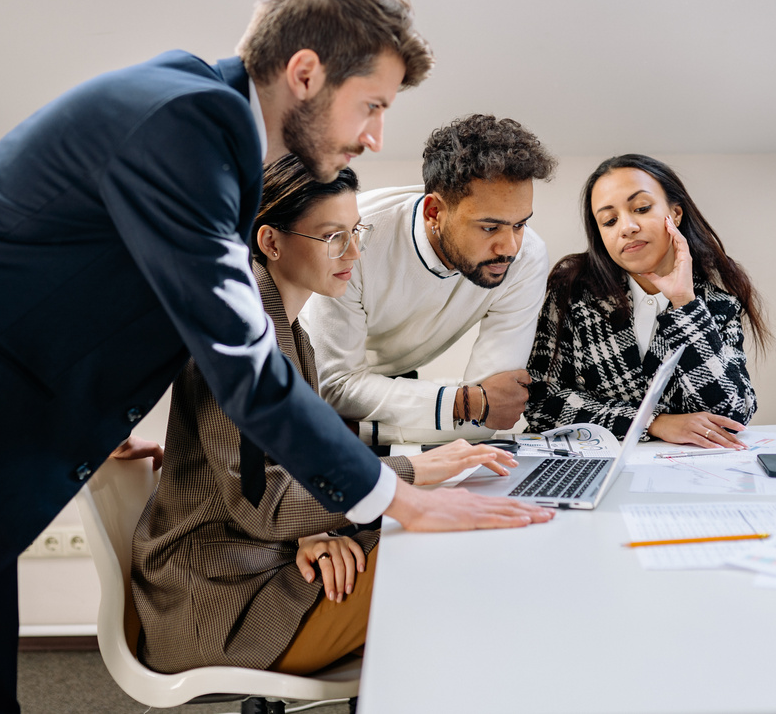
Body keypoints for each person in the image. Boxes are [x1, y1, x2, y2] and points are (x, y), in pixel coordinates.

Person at [0, 0, 549, 713]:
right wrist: (395, 497)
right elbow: (241, 363)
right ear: (305, 74)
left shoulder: (199, 122)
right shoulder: (186, 125)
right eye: (370, 105)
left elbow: (81, 288)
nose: (374, 134)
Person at [131, 155, 517, 675]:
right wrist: (413, 474)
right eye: (334, 237)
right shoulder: (242, 345)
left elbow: (289, 465)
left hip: (262, 563)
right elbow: (259, 500)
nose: (355, 252)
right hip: (222, 605)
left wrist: (314, 532)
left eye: (357, 232)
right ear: (271, 242)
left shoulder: (290, 334)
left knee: (442, 539)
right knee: (447, 555)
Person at [302, 114, 557, 447]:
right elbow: (332, 386)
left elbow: (493, 411)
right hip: (299, 386)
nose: (509, 248)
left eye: (520, 224)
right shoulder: (353, 238)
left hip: (393, 388)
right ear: (434, 213)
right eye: (490, 227)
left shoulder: (527, 258)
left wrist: (365, 432)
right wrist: (464, 403)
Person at [526, 154, 771, 447]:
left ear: (676, 213)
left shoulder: (717, 296)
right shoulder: (573, 289)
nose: (626, 227)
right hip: (594, 467)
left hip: (685, 473)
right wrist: (651, 422)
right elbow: (541, 403)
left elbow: (731, 414)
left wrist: (685, 303)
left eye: (641, 208)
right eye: (609, 220)